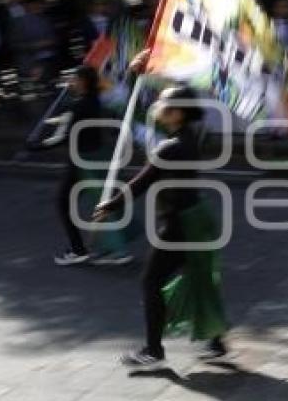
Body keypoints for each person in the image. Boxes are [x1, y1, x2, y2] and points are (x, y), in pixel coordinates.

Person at [95, 50, 228, 368]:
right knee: (198, 276)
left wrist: (110, 205)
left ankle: (154, 351)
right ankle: (215, 340)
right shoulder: (193, 133)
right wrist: (142, 73)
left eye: (164, 106)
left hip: (179, 225)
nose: (158, 107)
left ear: (177, 114)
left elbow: (139, 184)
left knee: (151, 282)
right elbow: (168, 97)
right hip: (197, 217)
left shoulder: (170, 147)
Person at [29, 65, 133, 266]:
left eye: (73, 79)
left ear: (83, 82)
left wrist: (36, 147)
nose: (70, 82)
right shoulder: (94, 101)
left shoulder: (79, 106)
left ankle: (82, 250)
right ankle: (110, 249)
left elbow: (64, 136)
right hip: (95, 156)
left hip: (82, 161)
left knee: (66, 202)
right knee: (102, 201)